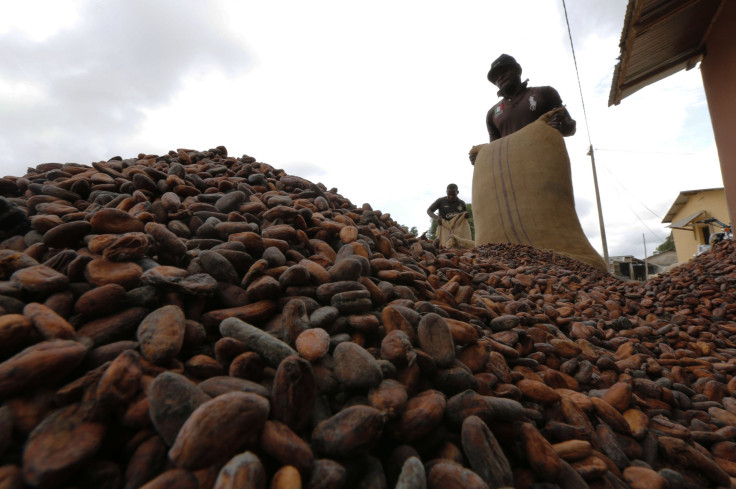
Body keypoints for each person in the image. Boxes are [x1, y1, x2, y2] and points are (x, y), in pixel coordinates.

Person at [470, 54, 576, 164]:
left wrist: (564, 125)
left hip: (546, 166)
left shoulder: (544, 93)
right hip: (513, 172)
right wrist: (482, 157)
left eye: (504, 71)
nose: (500, 77)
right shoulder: (492, 114)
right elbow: (496, 150)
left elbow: (570, 127)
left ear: (517, 70)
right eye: (495, 77)